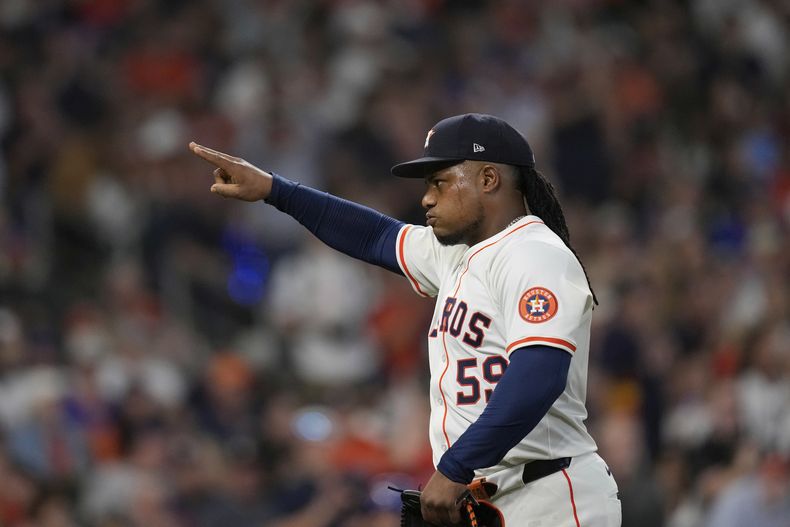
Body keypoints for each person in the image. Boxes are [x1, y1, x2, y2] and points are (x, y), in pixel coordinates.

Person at [189, 113, 621, 526]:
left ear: (489, 179)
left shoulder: (534, 254)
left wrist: (454, 467)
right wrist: (272, 189)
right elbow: (373, 234)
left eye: (440, 181)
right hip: (491, 499)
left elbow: (539, 375)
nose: (427, 197)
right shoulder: (458, 253)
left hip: (549, 496)